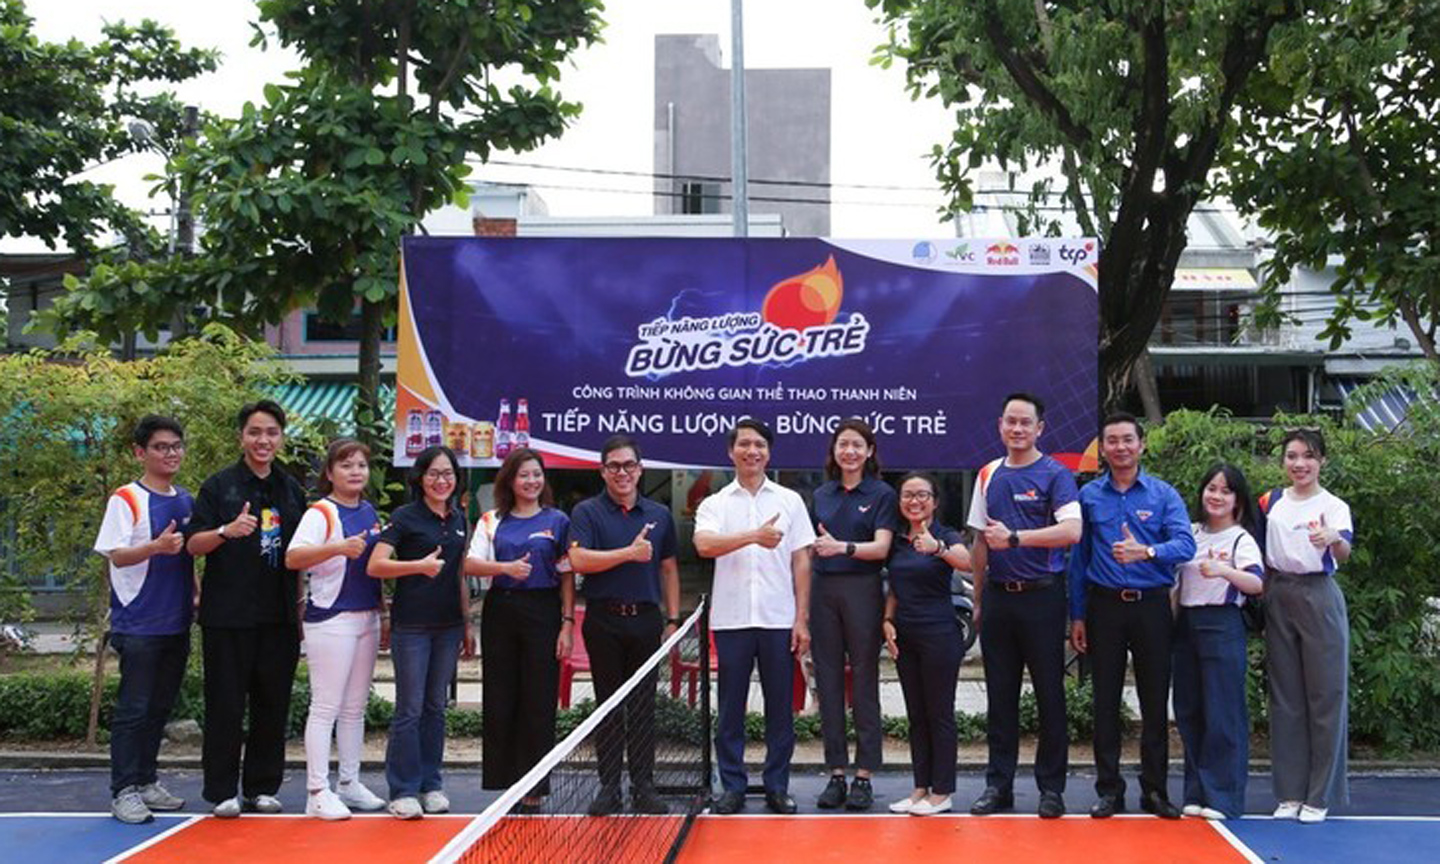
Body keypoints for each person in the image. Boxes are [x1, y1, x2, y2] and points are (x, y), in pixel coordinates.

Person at [1068, 412, 1195, 819]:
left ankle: (1155, 791)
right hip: (1103, 607)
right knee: (1104, 701)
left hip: (1151, 606)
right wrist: (1077, 616)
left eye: (1128, 440)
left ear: (1142, 444)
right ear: (1102, 449)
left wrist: (1148, 551)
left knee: (1154, 701)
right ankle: (1109, 790)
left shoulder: (1163, 495)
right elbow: (1078, 560)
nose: (1120, 447)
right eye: (1112, 441)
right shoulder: (1088, 497)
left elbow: (1186, 545)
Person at [186, 400, 307, 818]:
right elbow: (192, 543)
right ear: (242, 436)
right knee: (225, 704)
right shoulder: (219, 487)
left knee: (272, 704)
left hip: (279, 617)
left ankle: (261, 787)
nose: (263, 440)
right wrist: (226, 530)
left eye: (271, 432)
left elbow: (304, 552)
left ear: (281, 438)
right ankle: (221, 790)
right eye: (255, 432)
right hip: (228, 616)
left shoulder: (292, 490)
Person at [966, 392, 1080, 820]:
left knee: (1050, 695)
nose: (1017, 429)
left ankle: (1052, 789)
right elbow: (979, 540)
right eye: (1010, 421)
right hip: (998, 598)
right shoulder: (988, 474)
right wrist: (978, 598)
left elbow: (1072, 530)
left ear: (1039, 428)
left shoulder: (1056, 474)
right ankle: (999, 786)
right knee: (1000, 696)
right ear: (1000, 425)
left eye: (1025, 423)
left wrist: (1017, 538)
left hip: (1043, 597)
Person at [694, 418, 815, 815]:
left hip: (779, 618)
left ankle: (777, 786)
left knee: (780, 708)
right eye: (744, 444)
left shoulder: (789, 500)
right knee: (730, 708)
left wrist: (801, 619)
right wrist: (751, 536)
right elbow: (704, 545)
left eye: (759, 445)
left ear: (769, 452)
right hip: (730, 621)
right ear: (731, 452)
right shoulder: (715, 503)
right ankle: (732, 786)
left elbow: (801, 560)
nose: (752, 451)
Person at [568, 435, 681, 817]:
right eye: (614, 466)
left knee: (644, 707)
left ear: (640, 469)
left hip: (646, 620)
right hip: (603, 621)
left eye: (628, 465)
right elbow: (579, 560)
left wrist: (673, 620)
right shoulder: (586, 512)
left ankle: (644, 786)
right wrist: (629, 554)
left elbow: (668, 568)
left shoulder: (660, 514)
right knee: (609, 706)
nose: (622, 473)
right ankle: (609, 786)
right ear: (603, 471)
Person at [93, 415, 195, 824]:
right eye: (160, 447)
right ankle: (124, 790)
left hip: (176, 620)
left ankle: (148, 779)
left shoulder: (185, 498)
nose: (170, 453)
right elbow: (116, 554)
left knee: (159, 707)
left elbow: (186, 557)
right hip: (137, 622)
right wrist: (155, 546)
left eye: (175, 446)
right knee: (133, 709)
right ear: (140, 452)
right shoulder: (126, 498)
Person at [465, 447, 575, 814]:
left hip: (543, 613)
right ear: (510, 480)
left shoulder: (557, 520)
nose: (531, 481)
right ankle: (505, 782)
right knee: (500, 698)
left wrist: (567, 623)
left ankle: (534, 785)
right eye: (524, 474)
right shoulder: (491, 519)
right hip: (501, 612)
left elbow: (567, 574)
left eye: (537, 474)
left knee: (539, 701)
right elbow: (469, 564)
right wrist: (505, 569)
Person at [367, 445, 474, 820]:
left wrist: (466, 623)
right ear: (420, 478)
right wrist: (416, 567)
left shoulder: (460, 517)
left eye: (448, 474)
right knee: (409, 710)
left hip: (448, 626)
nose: (441, 480)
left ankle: (432, 784)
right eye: (434, 474)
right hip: (412, 626)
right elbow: (376, 565)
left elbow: (460, 573)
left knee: (435, 709)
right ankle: (403, 790)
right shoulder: (405, 516)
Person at [284, 438, 386, 820]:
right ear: (330, 473)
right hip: (331, 618)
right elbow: (294, 557)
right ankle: (316, 790)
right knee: (325, 706)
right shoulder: (320, 513)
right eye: (346, 465)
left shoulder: (369, 510)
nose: (355, 471)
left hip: (367, 617)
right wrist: (338, 548)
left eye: (360, 465)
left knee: (355, 708)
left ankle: (349, 783)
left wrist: (383, 614)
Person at [1261, 428, 1353, 824]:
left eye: (1309, 456)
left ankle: (1319, 795)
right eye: (1292, 456)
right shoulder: (1272, 501)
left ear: (1322, 461)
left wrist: (1333, 538)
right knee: (1285, 698)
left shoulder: (1333, 505)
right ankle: (1289, 793)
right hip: (1278, 593)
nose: (1299, 463)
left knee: (1325, 696)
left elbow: (1344, 552)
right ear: (1283, 460)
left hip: (1318, 596)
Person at [809, 418, 895, 811]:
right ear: (834, 450)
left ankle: (864, 775)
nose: (850, 451)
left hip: (863, 590)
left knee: (864, 682)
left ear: (869, 451)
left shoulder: (881, 494)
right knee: (827, 683)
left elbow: (880, 549)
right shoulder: (822, 494)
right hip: (823, 591)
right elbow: (809, 548)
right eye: (843, 444)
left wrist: (842, 548)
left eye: (857, 445)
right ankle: (836, 773)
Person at [1172, 462, 1265, 821]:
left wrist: (1225, 570)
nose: (1217, 496)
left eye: (1226, 491)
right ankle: (1195, 791)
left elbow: (1257, 583)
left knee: (1223, 711)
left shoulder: (1241, 538)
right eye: (1211, 488)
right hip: (1187, 625)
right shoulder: (1190, 532)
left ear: (1238, 499)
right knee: (1189, 709)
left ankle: (1223, 796)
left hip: (1222, 623)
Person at [882, 473, 971, 816]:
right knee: (916, 716)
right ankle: (920, 788)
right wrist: (887, 621)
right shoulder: (898, 542)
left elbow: (966, 563)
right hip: (906, 637)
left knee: (939, 715)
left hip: (940, 635)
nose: (915, 501)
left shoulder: (945, 535)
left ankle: (943, 792)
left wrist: (939, 548)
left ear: (934, 501)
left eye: (922, 495)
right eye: (908, 495)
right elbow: (894, 588)